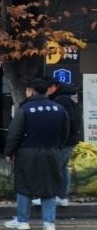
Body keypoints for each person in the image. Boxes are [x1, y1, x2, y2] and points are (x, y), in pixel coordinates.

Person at [4, 78, 68, 230]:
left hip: (28, 152)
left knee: (24, 185)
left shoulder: (25, 109)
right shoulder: (59, 109)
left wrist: (9, 152)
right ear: (46, 90)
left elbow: (14, 134)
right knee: (49, 186)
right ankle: (49, 223)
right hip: (52, 152)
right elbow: (65, 133)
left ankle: (22, 221)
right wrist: (57, 147)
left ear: (31, 91)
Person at [31, 79, 81, 207]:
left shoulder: (62, 99)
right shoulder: (66, 97)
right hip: (69, 140)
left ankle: (53, 196)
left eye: (48, 87)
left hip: (64, 141)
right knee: (62, 168)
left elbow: (68, 121)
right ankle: (62, 196)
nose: (46, 90)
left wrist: (59, 138)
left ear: (54, 86)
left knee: (55, 168)